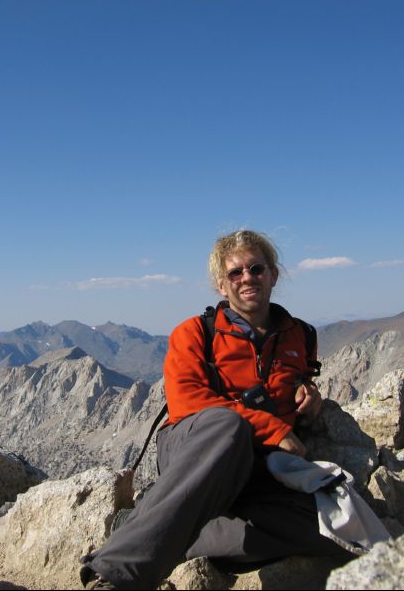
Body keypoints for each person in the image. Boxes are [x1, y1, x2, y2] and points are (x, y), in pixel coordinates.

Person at [80, 229, 353, 590]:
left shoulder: (301, 335)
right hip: (199, 451)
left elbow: (297, 379)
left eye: (256, 268)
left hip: (265, 468)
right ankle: (117, 574)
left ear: (273, 274)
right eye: (234, 273)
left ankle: (158, 529)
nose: (247, 278)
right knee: (228, 426)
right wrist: (271, 429)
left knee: (334, 527)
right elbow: (187, 401)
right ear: (221, 287)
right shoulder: (195, 333)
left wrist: (309, 395)